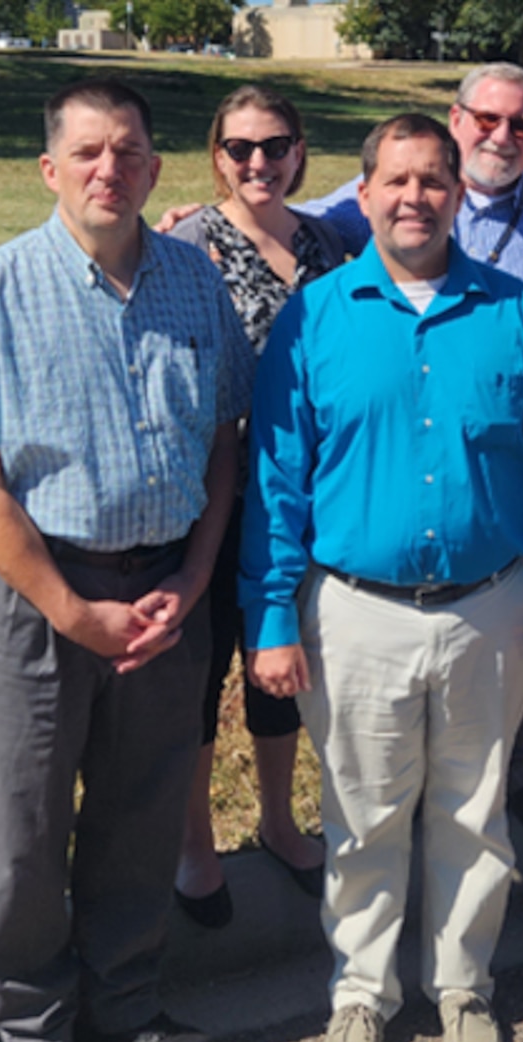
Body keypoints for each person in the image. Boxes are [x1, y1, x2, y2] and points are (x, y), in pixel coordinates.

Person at [241, 113, 523, 1042]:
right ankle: (361, 995)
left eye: (433, 181)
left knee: (472, 811)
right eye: (395, 181)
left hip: (490, 605)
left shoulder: (513, 313)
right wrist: (272, 615)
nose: (414, 197)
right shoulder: (315, 316)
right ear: (361, 197)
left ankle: (463, 989)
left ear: (458, 195)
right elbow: (277, 480)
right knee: (362, 817)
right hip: (352, 612)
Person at [164, 62, 523, 834]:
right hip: (285, 486)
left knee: (491, 719)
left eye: (522, 124)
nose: (502, 135)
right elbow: (283, 208)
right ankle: (218, 843)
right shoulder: (300, 239)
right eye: (486, 119)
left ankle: (510, 775)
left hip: (488, 469)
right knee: (247, 684)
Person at [0, 77, 254, 1042]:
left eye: (126, 152)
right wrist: (71, 610)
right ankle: (34, 1033)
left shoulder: (196, 282)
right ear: (49, 170)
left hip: (164, 593)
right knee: (23, 827)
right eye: (85, 153)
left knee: (141, 809)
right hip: (41, 599)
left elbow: (223, 439)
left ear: (155, 168)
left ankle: (124, 1004)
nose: (107, 169)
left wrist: (196, 579)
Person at [166, 84, 345, 927]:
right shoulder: (186, 243)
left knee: (283, 662)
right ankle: (195, 845)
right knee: (201, 671)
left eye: (274, 146)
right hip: (211, 491)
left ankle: (277, 819)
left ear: (300, 150)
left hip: (308, 490)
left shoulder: (331, 242)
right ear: (216, 157)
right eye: (238, 148)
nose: (257, 163)